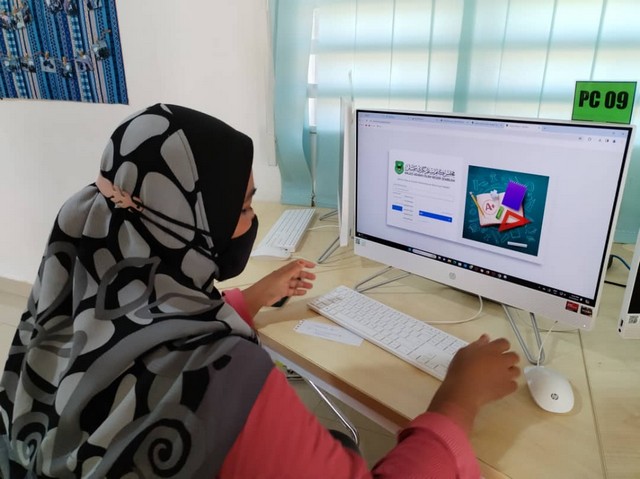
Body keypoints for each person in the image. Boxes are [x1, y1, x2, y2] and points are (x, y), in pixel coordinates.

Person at [0, 103, 520, 478]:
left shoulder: (74, 290)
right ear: (187, 226)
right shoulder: (215, 382)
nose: (251, 221)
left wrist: (250, 299)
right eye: (244, 207)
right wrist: (458, 400)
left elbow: (142, 326)